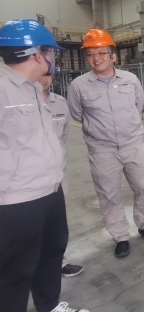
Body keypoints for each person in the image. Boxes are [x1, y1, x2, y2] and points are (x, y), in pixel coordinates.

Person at [0, 19, 89, 312]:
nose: (54, 58)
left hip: (50, 190)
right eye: (51, 51)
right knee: (15, 270)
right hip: (16, 200)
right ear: (38, 54)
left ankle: (48, 307)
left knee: (52, 251)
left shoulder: (33, 88)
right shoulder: (3, 88)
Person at [67, 29, 144, 259]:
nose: (96, 58)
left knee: (143, 187)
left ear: (113, 56)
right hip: (102, 151)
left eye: (101, 53)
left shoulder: (130, 80)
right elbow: (77, 115)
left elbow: (138, 106)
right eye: (90, 54)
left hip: (133, 145)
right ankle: (120, 236)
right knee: (108, 195)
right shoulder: (78, 86)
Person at [39, 73, 84, 278]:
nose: (42, 78)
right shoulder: (17, 102)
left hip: (57, 174)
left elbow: (62, 136)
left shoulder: (60, 103)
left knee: (56, 222)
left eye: (47, 73)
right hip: (25, 178)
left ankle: (59, 262)